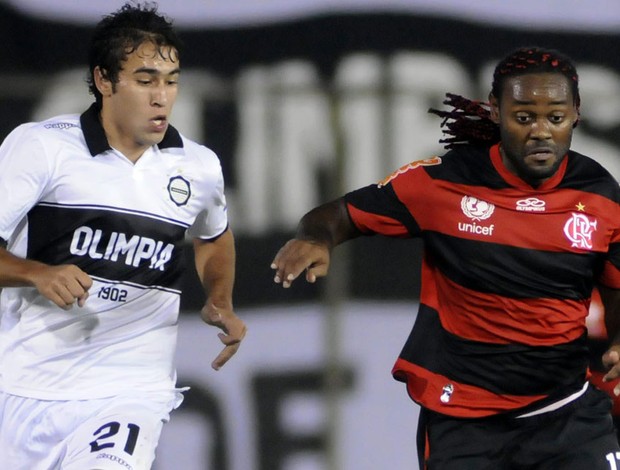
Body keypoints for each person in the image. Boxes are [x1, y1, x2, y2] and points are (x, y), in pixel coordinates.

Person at [271, 46, 620, 469]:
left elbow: (615, 288)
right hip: (465, 424)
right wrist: (316, 238)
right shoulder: (442, 183)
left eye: (556, 117)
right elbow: (339, 215)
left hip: (566, 416)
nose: (541, 131)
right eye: (524, 117)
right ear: (495, 110)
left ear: (577, 114)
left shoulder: (599, 194)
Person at [0, 3, 246, 469]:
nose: (162, 97)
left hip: (131, 390)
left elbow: (214, 236)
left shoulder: (197, 166)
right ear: (104, 80)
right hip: (26, 388)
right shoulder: (42, 148)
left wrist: (219, 297)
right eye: (145, 79)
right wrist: (37, 274)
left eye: (171, 81)